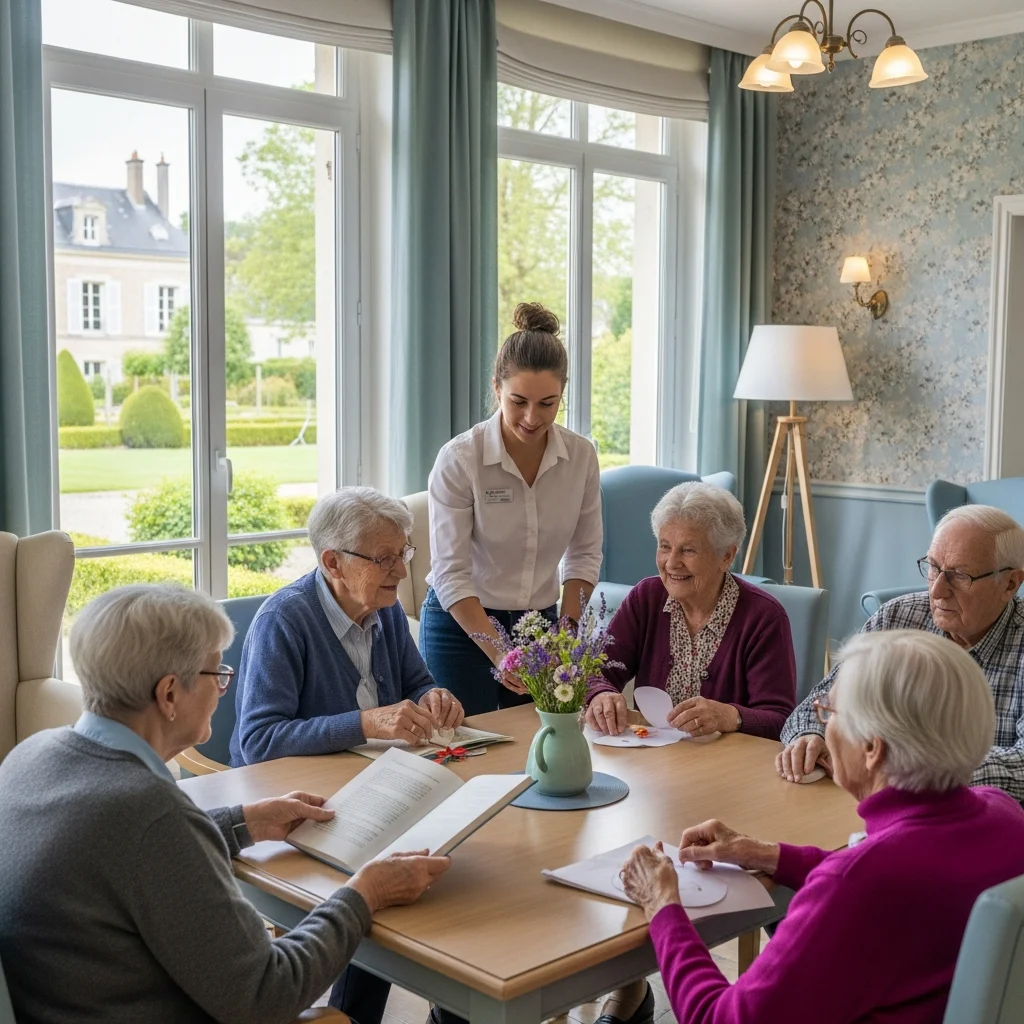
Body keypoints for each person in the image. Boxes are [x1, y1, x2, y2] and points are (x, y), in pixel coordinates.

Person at [0, 585, 450, 1024]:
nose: (223, 690)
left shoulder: (30, 756)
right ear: (170, 694)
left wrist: (243, 822)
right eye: (217, 675)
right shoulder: (150, 816)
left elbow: (116, 854)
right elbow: (266, 994)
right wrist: (365, 893)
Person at [620, 629, 1024, 1023]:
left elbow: (719, 1017)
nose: (825, 726)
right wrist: (765, 853)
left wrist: (662, 904)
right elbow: (907, 882)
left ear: (871, 749)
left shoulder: (854, 885)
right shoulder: (1004, 814)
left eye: (829, 713)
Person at [421, 302, 603, 716]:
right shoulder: (460, 459)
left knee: (535, 750)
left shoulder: (581, 458)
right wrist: (500, 651)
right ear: (496, 388)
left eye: (548, 403)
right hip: (462, 627)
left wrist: (566, 639)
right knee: (465, 752)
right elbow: (451, 572)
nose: (531, 417)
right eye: (518, 401)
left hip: (541, 626)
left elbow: (584, 554)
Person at [777, 504, 1024, 800]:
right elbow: (820, 704)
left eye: (960, 575)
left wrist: (910, 772)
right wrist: (811, 736)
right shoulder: (898, 617)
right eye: (933, 567)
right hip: (871, 808)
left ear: (1010, 583)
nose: (937, 591)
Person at [230, 486, 465, 767]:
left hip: (370, 774)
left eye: (403, 554)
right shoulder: (283, 621)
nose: (402, 571)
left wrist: (432, 698)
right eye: (384, 559)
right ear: (333, 563)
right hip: (288, 790)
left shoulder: (386, 608)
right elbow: (260, 742)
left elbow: (416, 684)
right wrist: (366, 724)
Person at [586, 482, 797, 740]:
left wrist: (730, 716)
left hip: (728, 768)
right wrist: (600, 694)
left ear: (726, 556)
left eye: (688, 550)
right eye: (665, 546)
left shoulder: (764, 617)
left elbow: (780, 719)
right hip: (651, 761)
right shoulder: (646, 598)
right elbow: (594, 671)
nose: (672, 563)